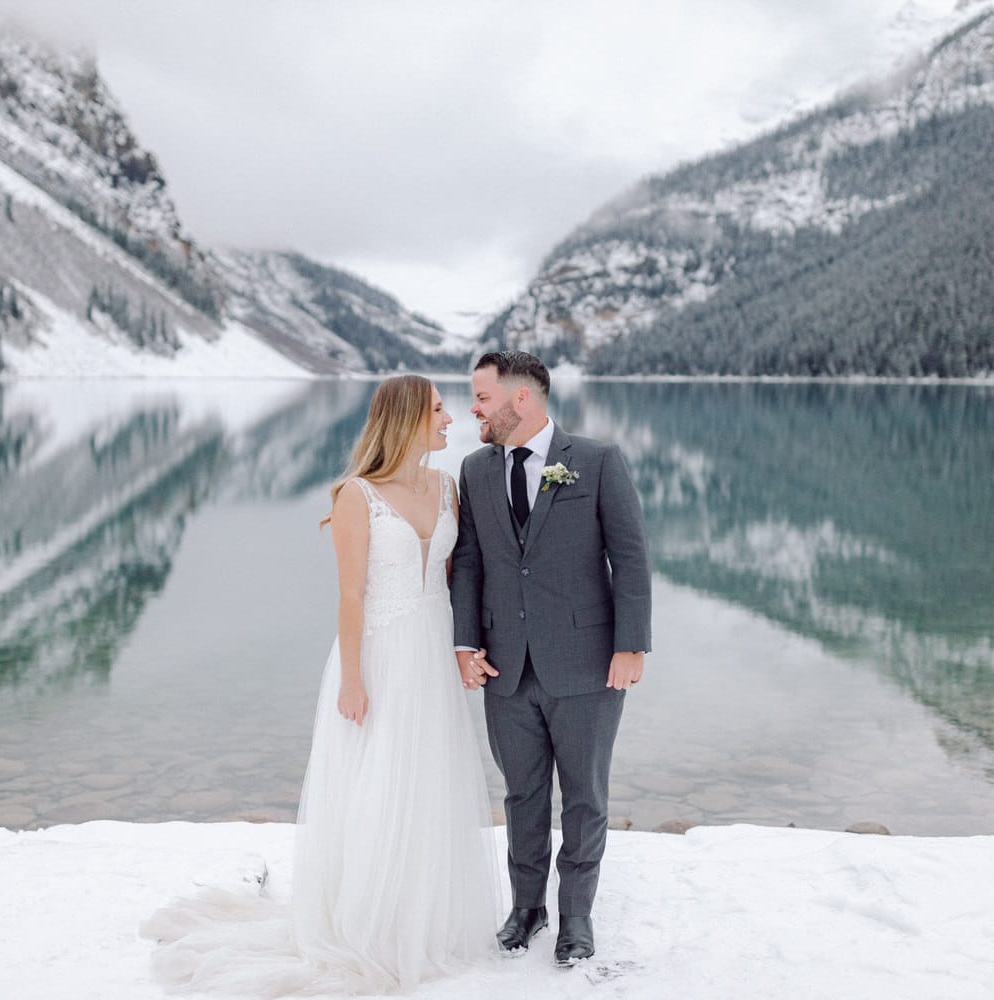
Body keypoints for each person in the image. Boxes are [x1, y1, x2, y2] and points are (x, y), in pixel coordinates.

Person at [143, 375, 500, 996]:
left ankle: (419, 918)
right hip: (379, 657)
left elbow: (454, 576)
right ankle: (366, 920)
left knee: (425, 781)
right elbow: (351, 597)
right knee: (376, 783)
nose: (451, 419)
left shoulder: (447, 488)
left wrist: (465, 646)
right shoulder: (356, 496)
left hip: (429, 654)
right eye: (439, 410)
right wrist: (353, 681)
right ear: (409, 417)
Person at [450, 350, 652, 967]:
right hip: (504, 667)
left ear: (521, 399)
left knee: (586, 797)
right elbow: (470, 563)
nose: (473, 409)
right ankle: (527, 907)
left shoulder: (596, 461)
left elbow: (631, 558)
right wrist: (464, 643)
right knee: (522, 794)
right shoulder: (475, 469)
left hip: (588, 664)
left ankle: (577, 918)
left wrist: (630, 645)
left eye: (481, 397)